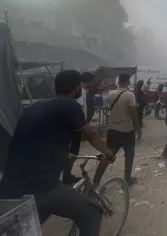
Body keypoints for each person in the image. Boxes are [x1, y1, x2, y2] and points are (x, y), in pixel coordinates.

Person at [0, 70, 114, 236]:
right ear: (77, 88)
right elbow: (90, 134)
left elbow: (37, 138)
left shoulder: (36, 106)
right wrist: (108, 153)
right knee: (92, 213)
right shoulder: (70, 105)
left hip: (10, 185)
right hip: (41, 186)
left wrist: (63, 154)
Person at [97, 74, 142, 185]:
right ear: (128, 82)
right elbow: (133, 115)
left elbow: (106, 107)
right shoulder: (130, 95)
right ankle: (127, 179)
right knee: (129, 155)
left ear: (118, 82)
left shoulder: (110, 94)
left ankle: (95, 181)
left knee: (108, 155)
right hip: (126, 131)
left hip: (112, 130)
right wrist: (138, 129)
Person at [63, 71, 95, 185]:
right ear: (90, 81)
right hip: (76, 127)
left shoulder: (83, 92)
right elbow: (78, 109)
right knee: (72, 152)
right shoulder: (80, 93)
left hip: (77, 126)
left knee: (72, 152)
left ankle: (67, 175)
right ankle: (66, 178)